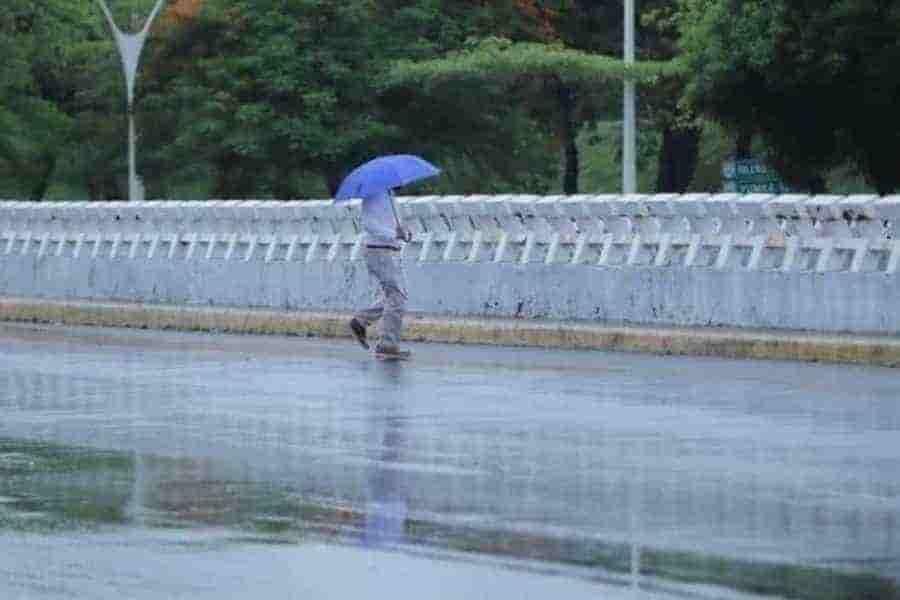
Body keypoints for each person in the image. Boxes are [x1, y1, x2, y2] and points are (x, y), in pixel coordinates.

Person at [349, 188, 413, 358]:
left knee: (393, 296)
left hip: (388, 251)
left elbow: (395, 226)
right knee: (397, 297)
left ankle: (360, 321)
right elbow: (369, 224)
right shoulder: (373, 195)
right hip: (379, 251)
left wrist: (405, 234)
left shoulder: (390, 195)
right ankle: (387, 345)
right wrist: (393, 234)